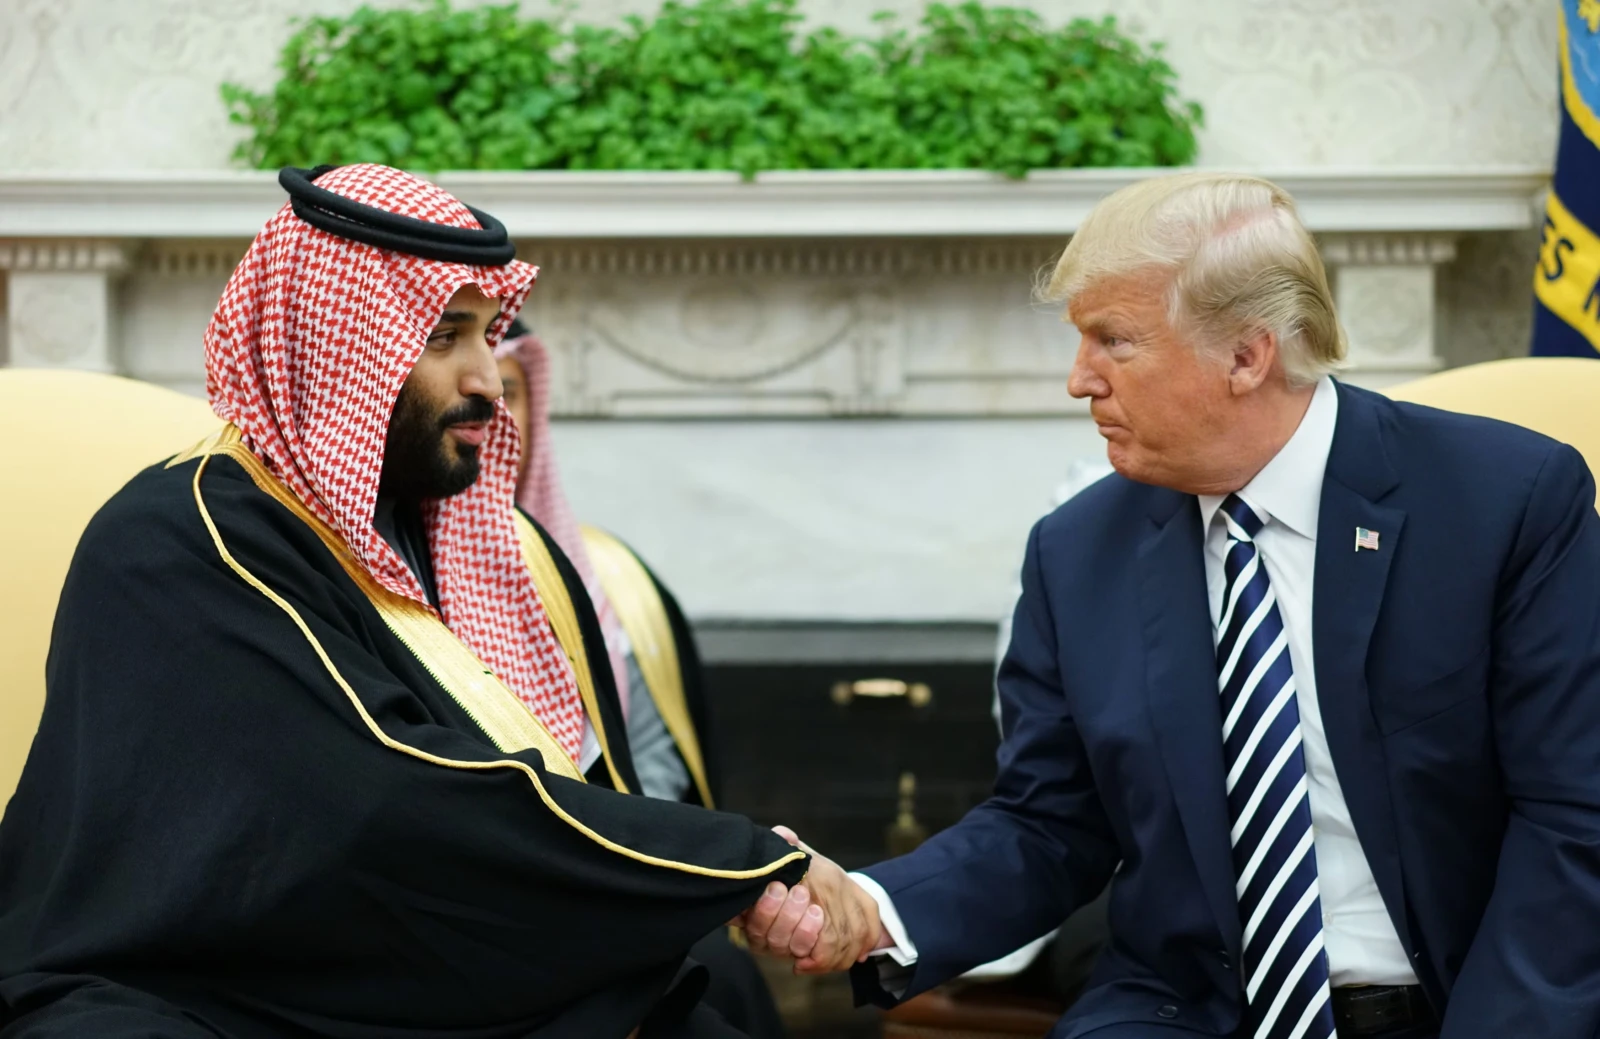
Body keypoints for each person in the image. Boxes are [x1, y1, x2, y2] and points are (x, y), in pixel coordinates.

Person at [742, 171, 1600, 1039]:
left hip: (1464, 1000)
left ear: (1246, 354)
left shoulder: (1505, 503)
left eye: (1113, 341)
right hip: (1187, 1012)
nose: (1080, 381)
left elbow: (1574, 815)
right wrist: (869, 905)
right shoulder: (1078, 551)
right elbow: (1048, 824)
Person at [0, 163, 818, 1039]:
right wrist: (738, 861)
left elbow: (571, 780)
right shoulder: (185, 538)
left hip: (404, 962)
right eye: (444, 337)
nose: (487, 381)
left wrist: (729, 878)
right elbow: (388, 793)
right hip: (201, 986)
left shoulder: (474, 545)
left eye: (488, 336)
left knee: (700, 994)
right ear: (335, 348)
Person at [495, 323, 786, 1038]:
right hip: (484, 895)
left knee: (725, 975)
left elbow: (652, 764)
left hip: (613, 867)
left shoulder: (602, 577)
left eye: (508, 392)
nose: (491, 414)